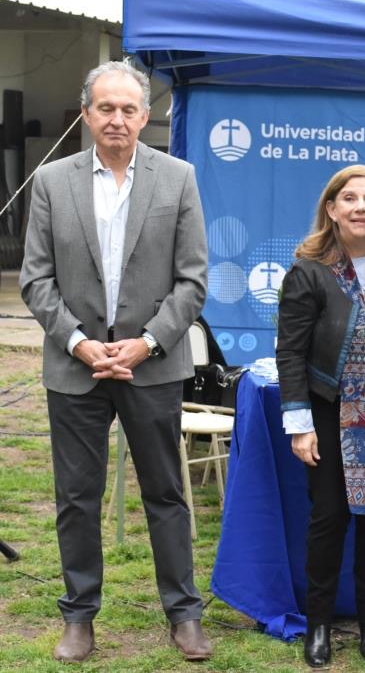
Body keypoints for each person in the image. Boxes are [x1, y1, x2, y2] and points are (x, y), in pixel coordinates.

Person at [19, 60, 211, 662]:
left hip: (151, 365)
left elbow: (192, 280)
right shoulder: (52, 182)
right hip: (75, 368)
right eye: (106, 108)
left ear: (145, 116)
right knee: (76, 498)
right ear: (86, 114)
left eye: (129, 109)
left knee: (166, 494)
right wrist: (79, 341)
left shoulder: (178, 178)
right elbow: (36, 279)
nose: (118, 119)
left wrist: (147, 341)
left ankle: (184, 615)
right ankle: (79, 618)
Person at [276, 165, 365, 667]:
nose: (362, 207)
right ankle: (319, 625)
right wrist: (299, 423)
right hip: (329, 412)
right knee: (329, 518)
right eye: (351, 198)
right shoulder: (308, 271)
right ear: (332, 209)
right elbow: (290, 353)